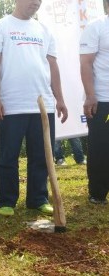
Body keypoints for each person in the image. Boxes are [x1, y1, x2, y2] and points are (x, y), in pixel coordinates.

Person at [0, 0, 68, 217]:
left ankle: (38, 198)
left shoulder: (44, 30)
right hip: (11, 104)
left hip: (43, 104)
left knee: (41, 154)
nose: (36, 2)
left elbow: (52, 66)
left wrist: (59, 98)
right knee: (8, 155)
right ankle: (7, 201)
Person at [80, 0, 109, 205]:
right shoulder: (96, 27)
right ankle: (98, 193)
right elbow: (86, 63)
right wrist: (90, 95)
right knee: (100, 145)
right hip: (103, 98)